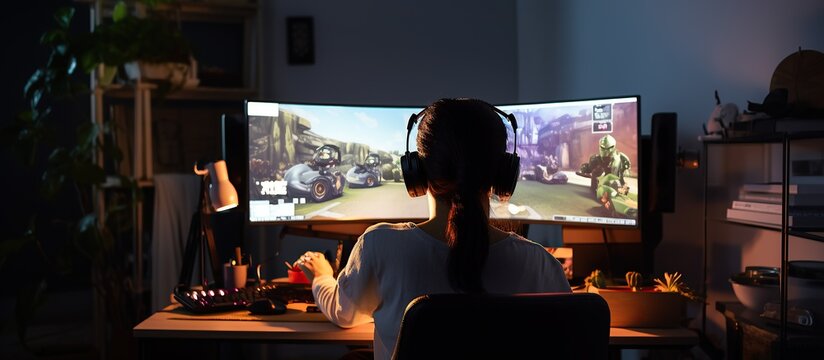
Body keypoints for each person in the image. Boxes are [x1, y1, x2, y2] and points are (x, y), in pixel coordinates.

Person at [294, 98, 571, 360]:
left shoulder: (379, 246)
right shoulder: (541, 265)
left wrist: (321, 276)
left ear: (415, 171)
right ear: (502, 174)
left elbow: (344, 314)